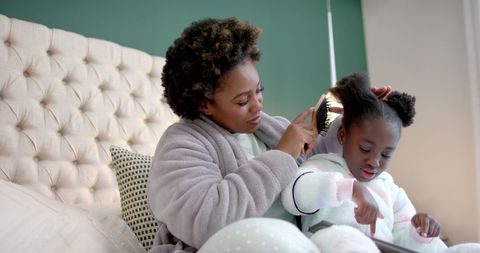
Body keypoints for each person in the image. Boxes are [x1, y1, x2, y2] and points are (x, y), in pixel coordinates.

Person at [147, 17, 347, 253]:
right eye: (243, 100)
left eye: (259, 91)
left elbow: (320, 159)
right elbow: (207, 222)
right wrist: (282, 154)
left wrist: (362, 114)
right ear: (204, 105)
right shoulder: (181, 144)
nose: (257, 105)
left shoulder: (268, 128)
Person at [281, 73, 448, 253]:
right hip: (335, 243)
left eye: (386, 154)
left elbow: (402, 244)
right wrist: (351, 189)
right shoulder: (321, 166)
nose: (374, 162)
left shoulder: (392, 192)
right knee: (351, 242)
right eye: (365, 149)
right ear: (342, 135)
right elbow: (293, 196)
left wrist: (420, 233)